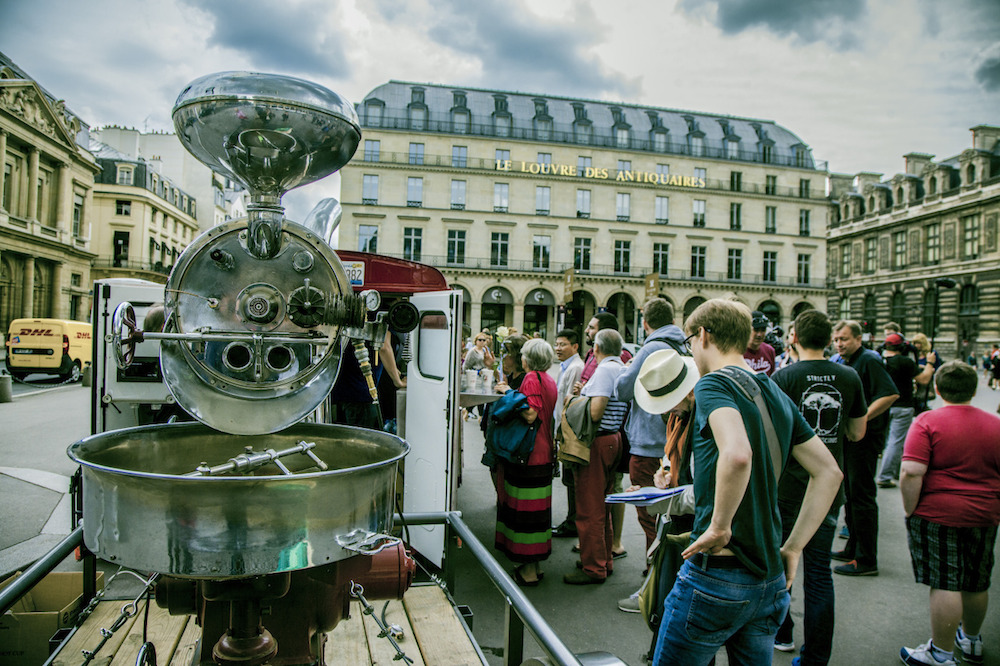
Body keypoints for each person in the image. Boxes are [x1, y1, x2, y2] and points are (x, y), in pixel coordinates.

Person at [651, 299, 842, 665]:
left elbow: (737, 454)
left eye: (690, 340)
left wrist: (720, 525)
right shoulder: (774, 391)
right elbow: (829, 472)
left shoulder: (712, 386)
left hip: (718, 573)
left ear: (703, 335)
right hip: (769, 575)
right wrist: (794, 547)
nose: (691, 349)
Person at [771, 310, 868, 664]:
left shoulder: (783, 377)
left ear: (794, 337)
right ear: (829, 339)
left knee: (782, 561)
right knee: (818, 572)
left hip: (789, 487)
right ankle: (816, 657)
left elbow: (775, 437)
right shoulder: (849, 376)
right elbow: (858, 433)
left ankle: (781, 634)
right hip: (827, 488)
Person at [899, 361, 1000, 666]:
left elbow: (912, 471)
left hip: (938, 514)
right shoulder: (996, 425)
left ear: (939, 389)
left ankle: (940, 654)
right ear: (973, 389)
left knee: (946, 582)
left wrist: (910, 508)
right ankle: (970, 641)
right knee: (976, 580)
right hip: (984, 514)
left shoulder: (926, 421)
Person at [618, 347, 700, 615]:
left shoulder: (703, 421)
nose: (668, 411)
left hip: (694, 524)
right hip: (682, 516)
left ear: (688, 392)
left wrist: (658, 499)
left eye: (671, 401)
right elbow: (670, 458)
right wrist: (662, 475)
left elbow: (705, 489)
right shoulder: (681, 416)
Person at [613, 297, 687, 554]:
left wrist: (625, 371)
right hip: (677, 441)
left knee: (649, 517)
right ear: (673, 321)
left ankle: (654, 574)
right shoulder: (685, 346)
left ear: (645, 324)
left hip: (648, 443)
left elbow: (622, 390)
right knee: (671, 516)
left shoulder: (649, 349)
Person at [830, 320, 899, 576]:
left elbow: (889, 394)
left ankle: (867, 559)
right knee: (850, 493)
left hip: (865, 439)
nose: (839, 344)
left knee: (862, 497)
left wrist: (863, 418)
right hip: (850, 438)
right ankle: (853, 547)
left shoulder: (869, 359)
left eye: (844, 339)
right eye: (836, 339)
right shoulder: (842, 360)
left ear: (859, 339)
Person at [564, 329, 627, 584]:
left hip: (598, 441)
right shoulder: (619, 367)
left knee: (589, 508)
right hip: (613, 440)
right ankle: (603, 560)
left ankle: (593, 568)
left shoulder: (603, 370)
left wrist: (572, 400)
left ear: (597, 348)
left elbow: (595, 412)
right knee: (602, 505)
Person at [494, 338, 558, 587]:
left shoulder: (531, 378)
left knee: (525, 512)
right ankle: (534, 565)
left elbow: (530, 413)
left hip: (529, 455)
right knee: (537, 514)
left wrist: (508, 392)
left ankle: (528, 571)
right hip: (543, 452)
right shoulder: (548, 378)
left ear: (528, 358)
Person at [876, 333, 934, 488]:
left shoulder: (879, 361)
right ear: (902, 347)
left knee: (891, 440)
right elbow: (924, 379)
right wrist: (929, 364)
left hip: (883, 405)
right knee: (896, 441)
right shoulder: (905, 361)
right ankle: (885, 475)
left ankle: (894, 470)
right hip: (903, 406)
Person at [551, 329, 585, 539]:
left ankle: (573, 522)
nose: (558, 348)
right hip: (562, 429)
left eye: (563, 344)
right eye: (557, 344)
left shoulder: (576, 368)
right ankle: (571, 520)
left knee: (572, 479)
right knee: (568, 479)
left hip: (569, 431)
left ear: (575, 347)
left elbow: (570, 402)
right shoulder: (566, 367)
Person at [911, 332, 942, 413]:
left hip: (926, 379)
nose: (916, 345)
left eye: (918, 343)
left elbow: (938, 366)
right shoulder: (913, 353)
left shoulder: (931, 353)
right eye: (915, 343)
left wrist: (928, 367)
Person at [744, 310, 777, 376]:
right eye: (756, 330)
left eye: (763, 330)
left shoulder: (769, 351)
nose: (759, 334)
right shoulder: (738, 351)